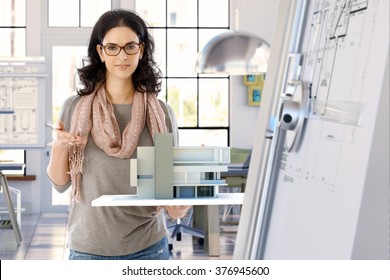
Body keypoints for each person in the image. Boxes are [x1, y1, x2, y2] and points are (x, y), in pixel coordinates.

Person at [47, 9, 191, 260]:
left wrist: (180, 203)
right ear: (101, 52)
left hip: (148, 249)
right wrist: (59, 147)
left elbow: (171, 199)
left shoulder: (161, 114)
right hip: (87, 250)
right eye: (112, 47)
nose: (122, 56)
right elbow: (60, 184)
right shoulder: (75, 108)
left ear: (142, 50)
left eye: (130, 47)